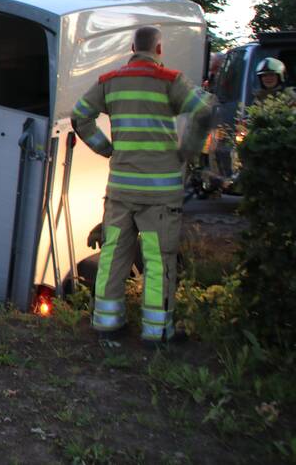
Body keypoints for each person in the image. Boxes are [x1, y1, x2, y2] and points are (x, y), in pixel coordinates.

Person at [71, 26, 214, 349]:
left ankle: (106, 324)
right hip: (159, 194)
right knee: (157, 258)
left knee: (113, 255)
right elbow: (204, 110)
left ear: (132, 46)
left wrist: (106, 149)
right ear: (159, 49)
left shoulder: (110, 82)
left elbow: (81, 116)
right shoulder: (170, 80)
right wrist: (187, 150)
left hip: (121, 189)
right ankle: (156, 331)